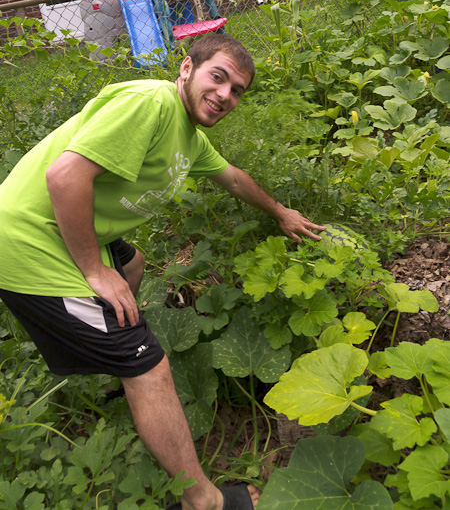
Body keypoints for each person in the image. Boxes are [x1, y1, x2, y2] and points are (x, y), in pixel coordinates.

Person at [0, 34, 325, 510]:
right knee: (149, 367)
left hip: (66, 221)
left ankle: (112, 357)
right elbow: (64, 177)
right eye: (219, 77)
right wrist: (93, 269)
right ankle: (203, 501)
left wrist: (280, 212)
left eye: (237, 90)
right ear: (187, 69)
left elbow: (232, 176)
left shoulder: (189, 136)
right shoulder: (151, 103)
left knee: (131, 263)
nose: (225, 95)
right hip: (28, 241)